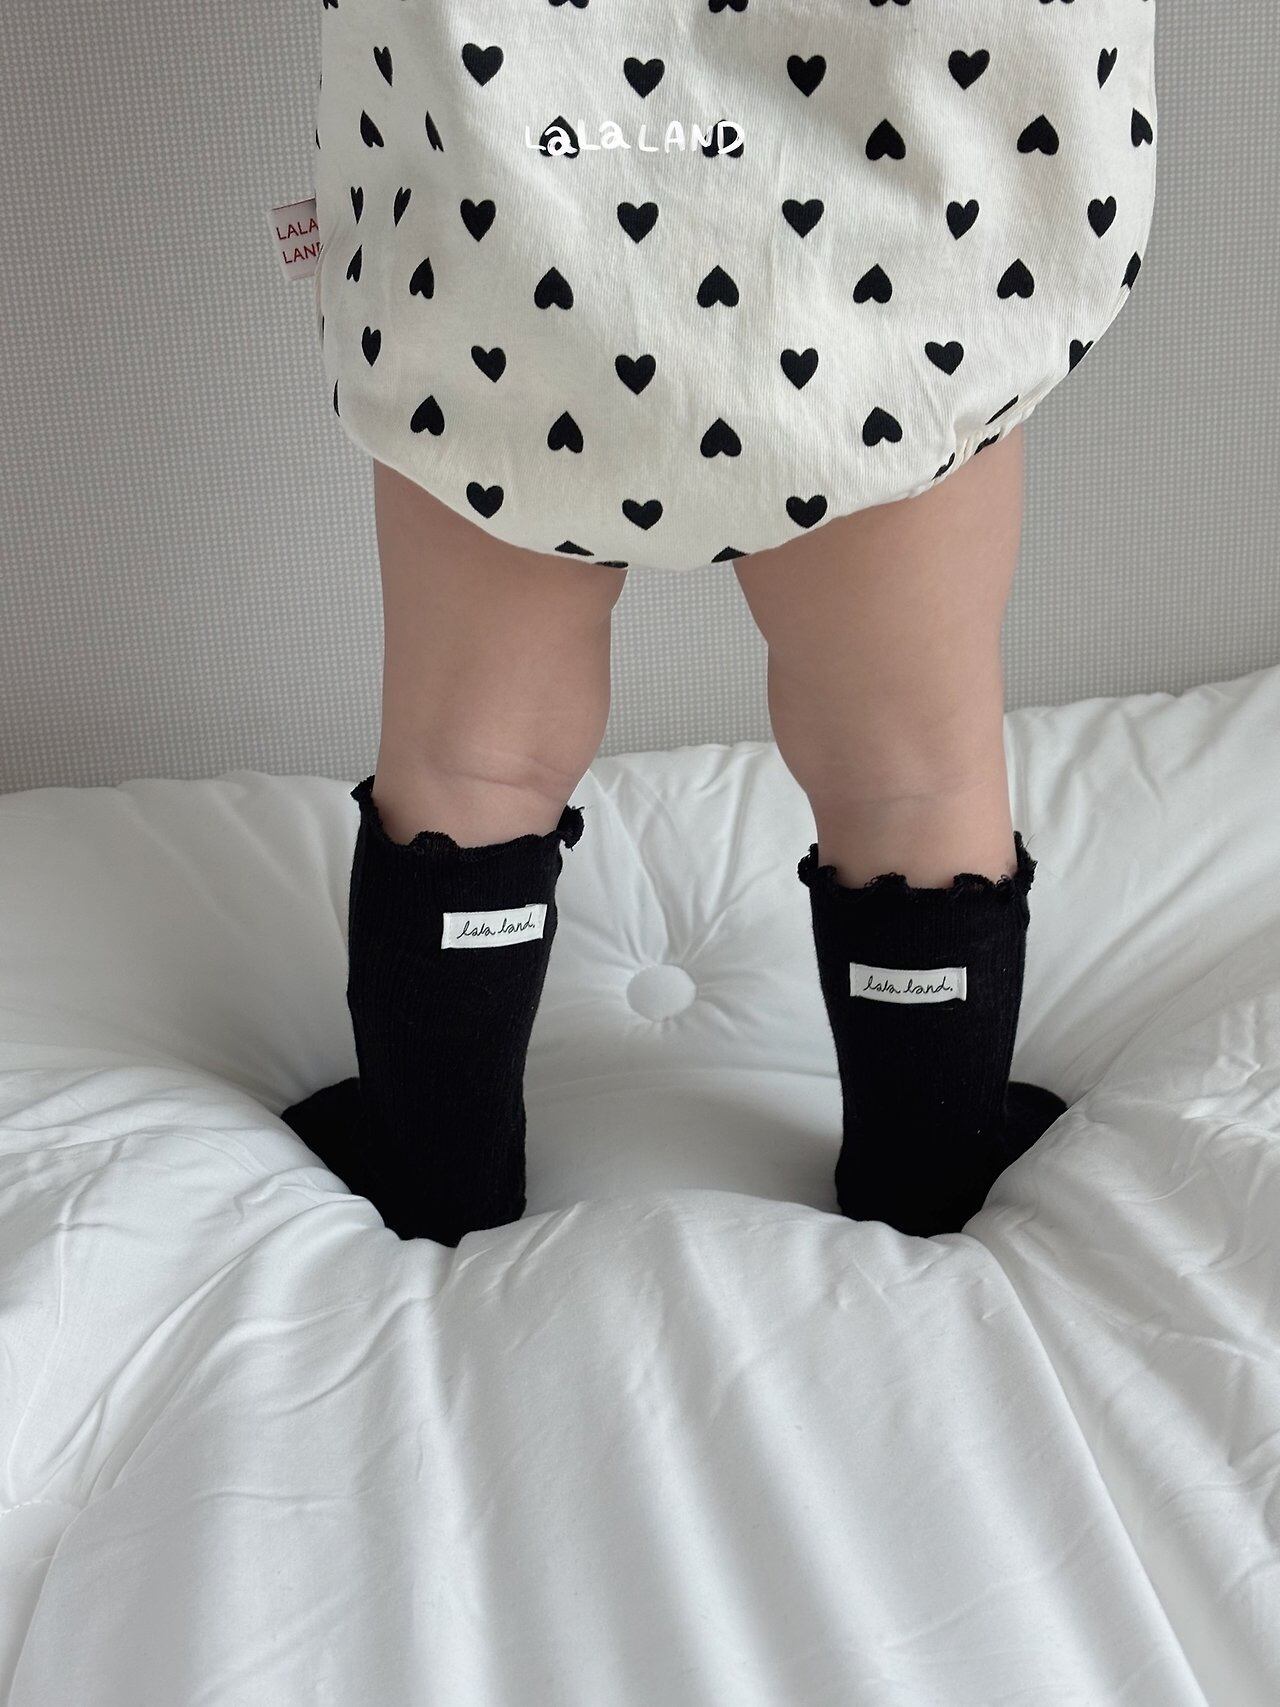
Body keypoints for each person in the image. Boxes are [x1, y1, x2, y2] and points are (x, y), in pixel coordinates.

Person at [284, 2, 1158, 1245]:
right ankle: (927, 1165)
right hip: (891, 242)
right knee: (911, 774)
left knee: (472, 756)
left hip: (511, 207)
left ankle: (434, 1162)